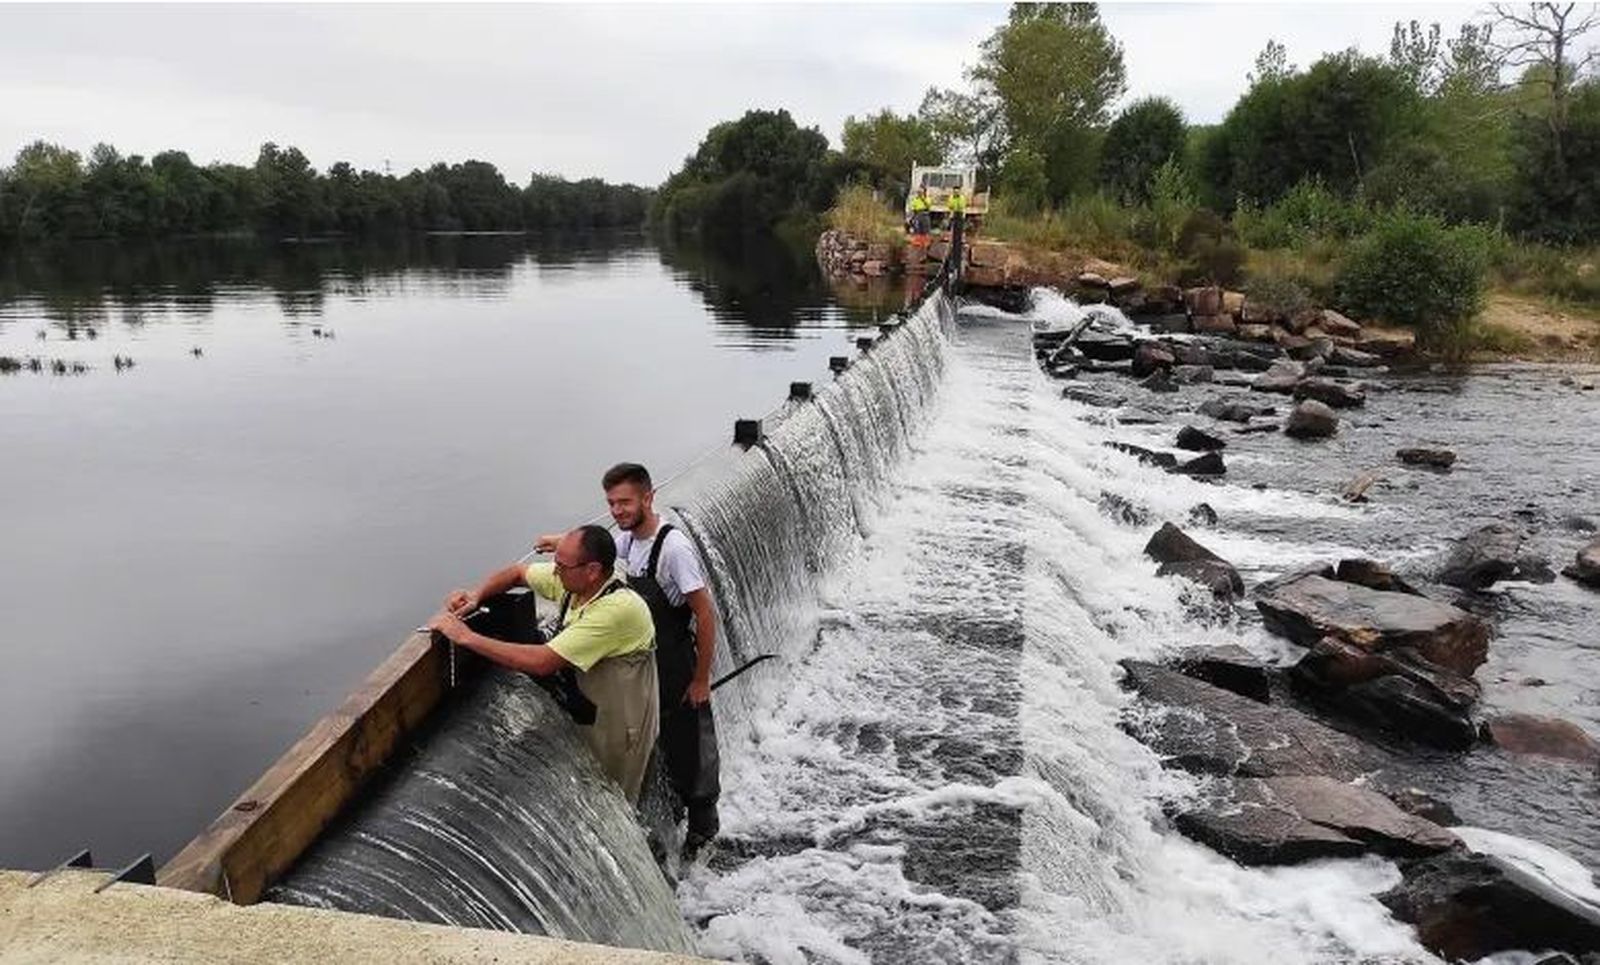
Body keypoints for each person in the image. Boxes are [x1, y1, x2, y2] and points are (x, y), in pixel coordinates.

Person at [537, 462, 722, 858]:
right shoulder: (626, 542)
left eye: (625, 502)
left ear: (648, 497)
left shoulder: (673, 548)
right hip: (641, 665)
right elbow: (598, 550)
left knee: (690, 749)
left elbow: (705, 614)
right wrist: (560, 542)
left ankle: (704, 835)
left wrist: (701, 680)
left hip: (673, 664)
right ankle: (666, 835)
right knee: (657, 751)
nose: (618, 511)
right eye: (611, 503)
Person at [429, 525, 659, 805]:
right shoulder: (575, 583)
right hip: (593, 708)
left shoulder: (616, 610)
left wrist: (466, 638)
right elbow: (517, 572)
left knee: (614, 798)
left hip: (622, 728)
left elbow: (542, 662)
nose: (555, 570)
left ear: (593, 570)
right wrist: (477, 596)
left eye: (562, 565)